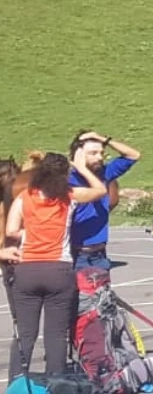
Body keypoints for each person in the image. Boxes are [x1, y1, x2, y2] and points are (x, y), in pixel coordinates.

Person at [1, 150, 106, 384]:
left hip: (27, 268)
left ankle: (17, 382)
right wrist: (82, 167)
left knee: (25, 333)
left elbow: (9, 231)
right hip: (59, 268)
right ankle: (56, 383)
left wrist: (28, 233)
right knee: (56, 333)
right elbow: (100, 190)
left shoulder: (24, 197)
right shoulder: (69, 195)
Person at [67, 129, 141, 273]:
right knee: (80, 295)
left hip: (100, 253)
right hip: (76, 253)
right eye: (93, 153)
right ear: (78, 155)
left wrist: (101, 138)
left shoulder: (105, 172)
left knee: (102, 294)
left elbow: (134, 155)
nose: (99, 157)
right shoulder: (68, 179)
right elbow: (99, 191)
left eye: (101, 153)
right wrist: (81, 169)